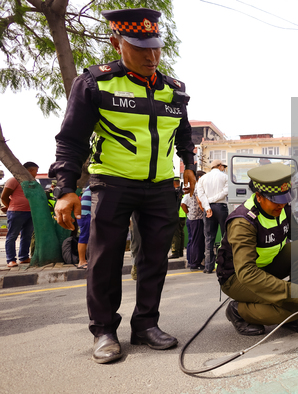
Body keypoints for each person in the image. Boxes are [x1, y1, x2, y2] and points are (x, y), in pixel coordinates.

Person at [49, 8, 197, 364]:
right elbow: (70, 140)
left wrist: (189, 164)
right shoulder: (95, 83)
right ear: (117, 43)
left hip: (161, 186)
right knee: (104, 260)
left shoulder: (173, 89)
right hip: (111, 184)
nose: (151, 56)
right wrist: (65, 189)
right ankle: (103, 330)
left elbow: (184, 132)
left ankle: (146, 325)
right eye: (139, 47)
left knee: (154, 260)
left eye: (156, 48)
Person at [216, 163, 298, 336]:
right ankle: (237, 310)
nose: (281, 205)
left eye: (285, 200)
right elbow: (247, 272)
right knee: (288, 310)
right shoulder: (243, 222)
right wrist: (297, 292)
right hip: (238, 278)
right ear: (259, 196)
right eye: (276, 201)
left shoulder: (283, 208)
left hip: (265, 267)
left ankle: (295, 312)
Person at [1, 161, 39, 268]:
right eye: (35, 171)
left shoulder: (32, 182)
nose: (36, 173)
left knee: (26, 236)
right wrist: (9, 207)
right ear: (29, 170)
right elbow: (4, 197)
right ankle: (11, 260)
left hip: (30, 212)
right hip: (16, 212)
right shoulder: (14, 180)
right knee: (12, 235)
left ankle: (23, 257)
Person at [197, 159, 228, 274]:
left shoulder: (203, 178)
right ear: (219, 166)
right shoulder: (224, 177)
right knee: (225, 236)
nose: (224, 168)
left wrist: (208, 206)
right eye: (223, 166)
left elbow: (200, 194)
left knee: (209, 238)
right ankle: (225, 264)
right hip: (221, 207)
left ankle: (208, 267)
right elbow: (226, 191)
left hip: (208, 209)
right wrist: (213, 201)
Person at [182, 170, 206, 270]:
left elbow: (183, 204)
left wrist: (188, 213)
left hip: (191, 219)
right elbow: (200, 202)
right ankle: (195, 263)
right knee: (196, 241)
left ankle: (191, 261)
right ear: (200, 178)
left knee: (192, 241)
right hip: (197, 219)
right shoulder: (197, 188)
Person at [169, 177, 185, 259]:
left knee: (175, 234)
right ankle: (180, 251)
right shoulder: (182, 191)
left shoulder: (174, 191)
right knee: (181, 234)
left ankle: (175, 251)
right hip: (183, 215)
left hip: (176, 214)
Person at [76, 186, 91, 269]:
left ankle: (87, 260)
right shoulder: (96, 185)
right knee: (84, 237)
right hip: (86, 215)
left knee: (87, 238)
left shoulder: (91, 186)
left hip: (85, 214)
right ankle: (81, 261)